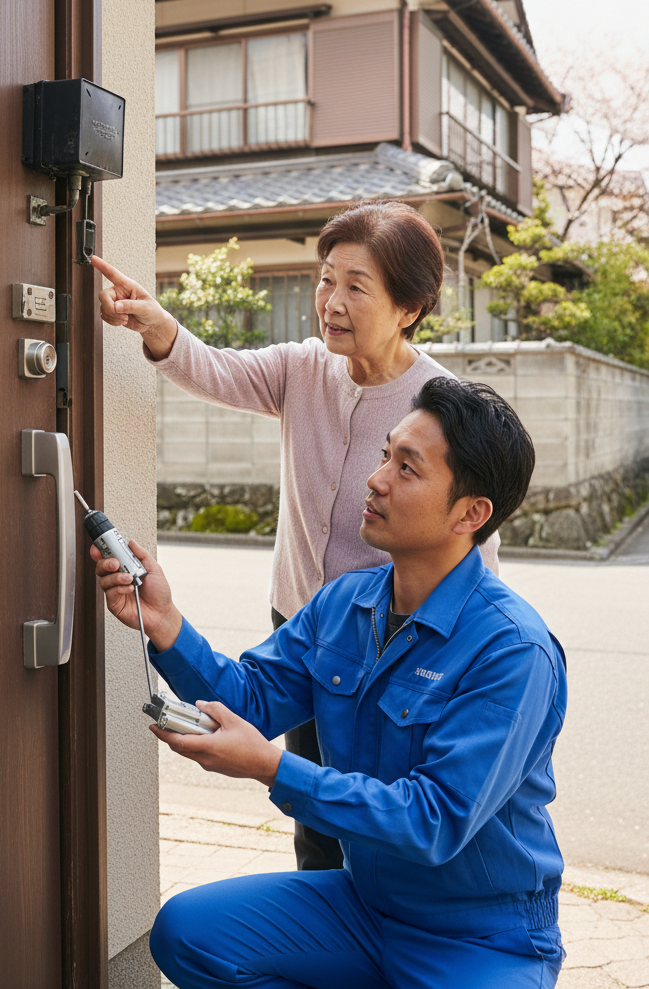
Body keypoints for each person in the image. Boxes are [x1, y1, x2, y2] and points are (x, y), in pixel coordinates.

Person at [93, 377, 567, 989]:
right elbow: (251, 701)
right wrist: (165, 625)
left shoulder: (512, 650)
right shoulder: (344, 603)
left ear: (471, 513)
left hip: (481, 936)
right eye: (384, 455)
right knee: (189, 934)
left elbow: (434, 821)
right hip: (365, 907)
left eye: (407, 468)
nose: (377, 479)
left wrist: (272, 769)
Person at [92, 200, 501, 870]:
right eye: (325, 278)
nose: (330, 301)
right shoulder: (304, 368)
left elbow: (470, 550)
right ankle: (326, 930)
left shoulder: (442, 407)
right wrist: (157, 322)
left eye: (355, 286)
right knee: (313, 807)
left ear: (409, 308)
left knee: (382, 806)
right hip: (307, 623)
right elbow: (215, 368)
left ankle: (388, 935)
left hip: (397, 641)